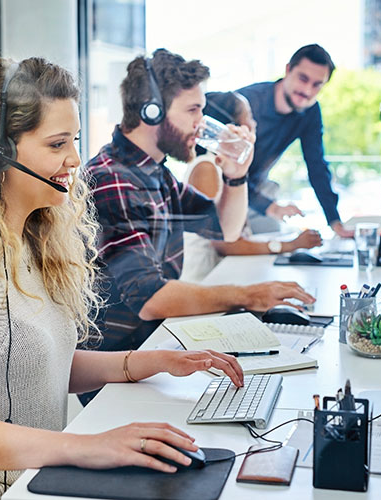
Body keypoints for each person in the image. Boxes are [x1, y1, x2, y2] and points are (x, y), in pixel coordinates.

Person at [0, 56, 245, 500]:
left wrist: (153, 361)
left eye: (75, 140)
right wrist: (89, 448)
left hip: (29, 478)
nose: (74, 159)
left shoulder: (34, 241)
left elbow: (41, 367)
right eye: (56, 144)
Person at [85, 48, 315, 357]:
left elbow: (226, 229)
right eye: (193, 110)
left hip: (155, 345)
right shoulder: (113, 179)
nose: (201, 122)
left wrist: (236, 176)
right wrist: (248, 295)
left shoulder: (156, 174)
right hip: (118, 366)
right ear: (151, 111)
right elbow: (150, 299)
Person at [181, 91, 323, 283]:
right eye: (249, 117)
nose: (254, 124)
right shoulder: (207, 168)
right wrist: (290, 245)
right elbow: (225, 244)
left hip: (221, 277)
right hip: (201, 284)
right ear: (230, 127)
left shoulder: (226, 167)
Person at [237, 44, 354, 238]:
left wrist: (334, 221)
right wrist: (270, 207)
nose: (307, 91)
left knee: (273, 241)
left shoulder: (310, 112)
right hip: (223, 188)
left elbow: (317, 166)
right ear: (288, 70)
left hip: (257, 189)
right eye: (303, 79)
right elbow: (222, 170)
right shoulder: (246, 102)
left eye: (317, 84)